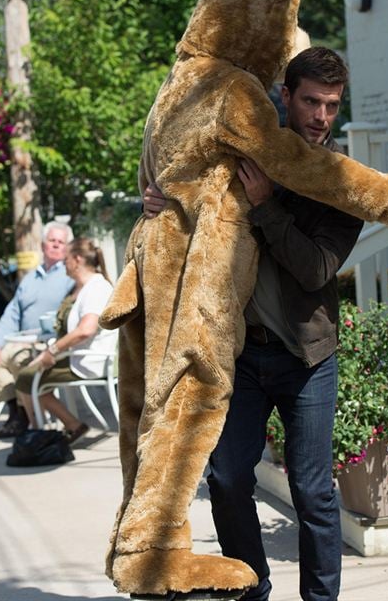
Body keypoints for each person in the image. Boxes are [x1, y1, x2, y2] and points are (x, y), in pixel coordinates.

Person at [142, 47, 362, 601]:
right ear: (285, 97)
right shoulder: (243, 155)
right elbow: (192, 198)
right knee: (228, 477)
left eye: (331, 106)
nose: (320, 116)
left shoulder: (341, 181)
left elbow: (316, 269)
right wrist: (159, 203)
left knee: (312, 493)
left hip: (307, 358)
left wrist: (266, 206)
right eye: (310, 101)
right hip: (241, 355)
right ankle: (252, 589)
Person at [0, 220, 74, 438]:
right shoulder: (31, 277)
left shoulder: (70, 276)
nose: (56, 245)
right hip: (18, 340)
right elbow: (13, 313)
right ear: (43, 244)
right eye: (52, 240)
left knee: (19, 359)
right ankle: (16, 410)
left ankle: (26, 416)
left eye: (61, 242)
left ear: (68, 247)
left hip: (45, 344)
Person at [14, 237, 117, 442]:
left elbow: (85, 330)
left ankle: (40, 435)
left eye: (66, 258)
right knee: (28, 371)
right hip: (75, 355)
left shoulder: (97, 288)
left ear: (77, 259)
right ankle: (59, 427)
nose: (62, 263)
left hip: (88, 359)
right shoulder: (81, 287)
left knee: (27, 377)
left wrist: (52, 351)